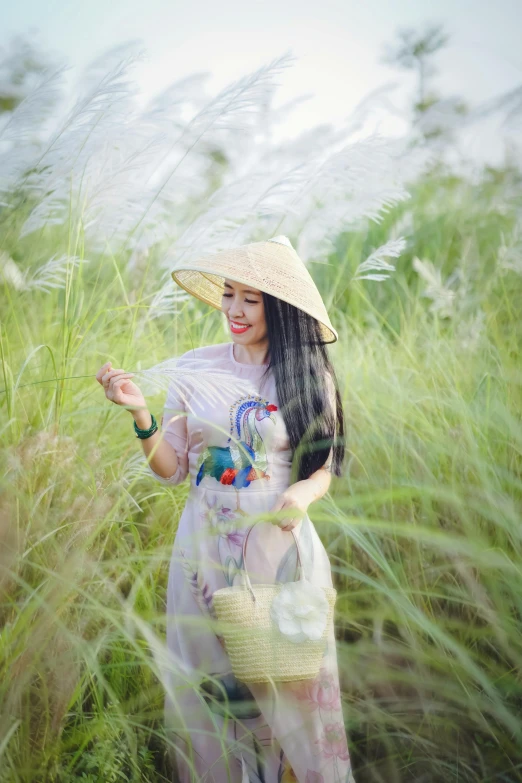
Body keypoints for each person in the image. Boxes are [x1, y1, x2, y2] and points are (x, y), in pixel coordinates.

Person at [96, 236, 356, 783]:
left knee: (284, 686)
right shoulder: (195, 367)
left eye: (251, 300)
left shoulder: (308, 377)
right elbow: (171, 468)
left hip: (276, 546)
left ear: (278, 307)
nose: (234, 311)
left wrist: (301, 496)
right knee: (208, 688)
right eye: (229, 296)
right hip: (203, 547)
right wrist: (140, 413)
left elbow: (322, 465)